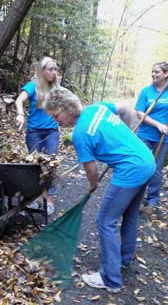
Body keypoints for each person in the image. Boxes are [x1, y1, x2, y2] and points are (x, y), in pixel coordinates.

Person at [44, 87, 155, 293]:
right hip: (146, 160)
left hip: (131, 169)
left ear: (67, 108)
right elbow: (124, 108)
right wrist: (130, 133)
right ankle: (123, 259)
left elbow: (91, 170)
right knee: (130, 214)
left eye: (56, 115)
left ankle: (111, 279)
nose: (55, 121)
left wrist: (92, 185)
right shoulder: (97, 108)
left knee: (106, 220)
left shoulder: (80, 134)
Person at [15, 57, 60, 214]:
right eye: (50, 69)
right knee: (34, 166)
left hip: (52, 132)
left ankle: (48, 198)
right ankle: (32, 197)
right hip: (34, 132)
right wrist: (20, 114)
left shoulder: (57, 88)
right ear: (42, 71)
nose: (54, 73)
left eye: (55, 69)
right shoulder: (33, 85)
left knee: (50, 165)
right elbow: (19, 100)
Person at [135, 61, 168, 209]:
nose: (153, 74)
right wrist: (158, 125)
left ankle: (152, 200)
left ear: (166, 74)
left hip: (163, 138)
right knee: (140, 164)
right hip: (144, 135)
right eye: (153, 71)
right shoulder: (146, 91)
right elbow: (139, 113)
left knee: (156, 168)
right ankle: (134, 195)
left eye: (157, 72)